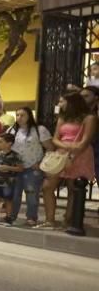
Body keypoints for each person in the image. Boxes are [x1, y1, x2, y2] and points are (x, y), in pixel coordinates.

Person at [40, 93, 97, 230]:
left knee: (74, 188)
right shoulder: (63, 118)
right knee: (47, 186)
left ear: (71, 103)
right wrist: (68, 146)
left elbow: (84, 143)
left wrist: (68, 147)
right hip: (61, 154)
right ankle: (50, 220)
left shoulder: (89, 118)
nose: (59, 105)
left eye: (62, 102)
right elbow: (55, 139)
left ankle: (69, 219)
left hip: (80, 155)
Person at [8, 107, 52, 227]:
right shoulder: (12, 130)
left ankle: (31, 217)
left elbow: (50, 148)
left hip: (33, 167)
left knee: (31, 194)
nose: (19, 118)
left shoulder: (39, 130)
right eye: (17, 115)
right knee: (14, 194)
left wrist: (41, 163)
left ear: (29, 116)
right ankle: (11, 215)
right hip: (16, 167)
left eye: (23, 115)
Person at [0, 133, 23, 225]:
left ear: (9, 143)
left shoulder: (15, 155)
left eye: (1, 142)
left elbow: (20, 168)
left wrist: (8, 168)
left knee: (8, 199)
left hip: (9, 181)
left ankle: (9, 217)